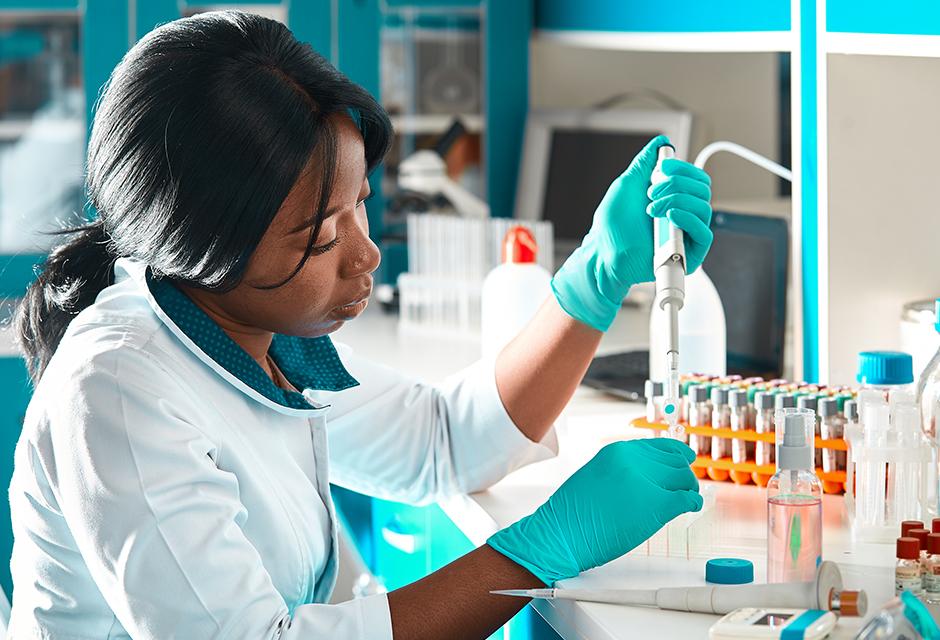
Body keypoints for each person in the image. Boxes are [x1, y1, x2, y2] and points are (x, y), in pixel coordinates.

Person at [7, 11, 714, 639]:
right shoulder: (120, 389)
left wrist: (595, 276)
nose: (366, 253)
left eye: (360, 203)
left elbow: (443, 441)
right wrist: (540, 548)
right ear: (205, 250)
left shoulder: (249, 333)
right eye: (320, 238)